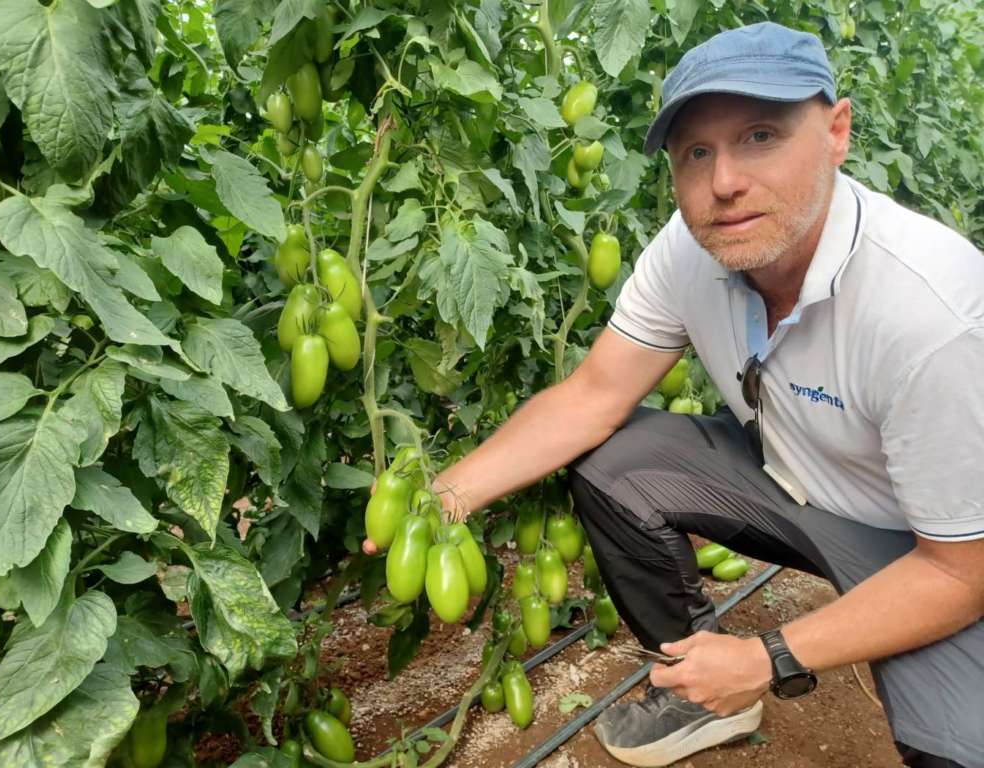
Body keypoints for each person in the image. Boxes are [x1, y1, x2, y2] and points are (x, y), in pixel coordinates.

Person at [363, 20, 984, 768]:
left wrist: (768, 653)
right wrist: (446, 495)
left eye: (760, 135)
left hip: (928, 544)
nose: (724, 181)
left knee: (959, 747)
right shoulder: (691, 250)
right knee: (614, 458)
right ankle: (697, 693)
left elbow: (962, 572)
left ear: (837, 131)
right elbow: (593, 394)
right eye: (696, 152)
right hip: (793, 481)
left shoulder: (932, 316)